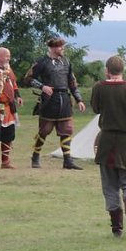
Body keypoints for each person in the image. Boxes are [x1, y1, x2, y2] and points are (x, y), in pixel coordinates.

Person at [91, 55, 126, 238]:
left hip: (106, 142)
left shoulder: (99, 88)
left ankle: (117, 228)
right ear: (122, 70)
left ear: (107, 70)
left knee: (110, 186)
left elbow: (96, 109)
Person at [25, 37, 86, 170]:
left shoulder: (66, 62)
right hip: (49, 101)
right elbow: (28, 79)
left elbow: (72, 83)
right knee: (44, 131)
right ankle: (35, 157)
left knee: (67, 130)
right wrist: (42, 87)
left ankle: (67, 161)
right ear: (53, 48)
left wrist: (79, 99)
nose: (63, 49)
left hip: (64, 99)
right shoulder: (42, 62)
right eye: (60, 47)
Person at [0, 47, 22, 169]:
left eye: (9, 56)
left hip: (9, 108)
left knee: (8, 135)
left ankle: (5, 161)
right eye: (6, 56)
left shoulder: (8, 69)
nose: (8, 58)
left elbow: (13, 84)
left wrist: (18, 96)